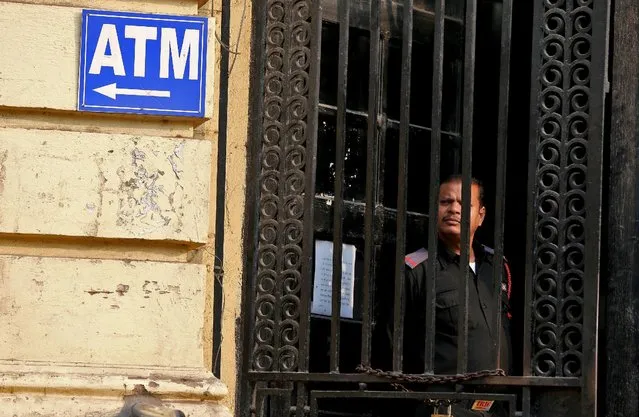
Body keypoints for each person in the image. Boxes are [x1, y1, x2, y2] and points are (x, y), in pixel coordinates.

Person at [401, 175, 512, 416]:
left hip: (498, 408)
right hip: (444, 410)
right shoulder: (418, 270)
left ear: (480, 216)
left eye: (464, 204)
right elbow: (392, 347)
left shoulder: (496, 268)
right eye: (445, 202)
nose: (453, 209)